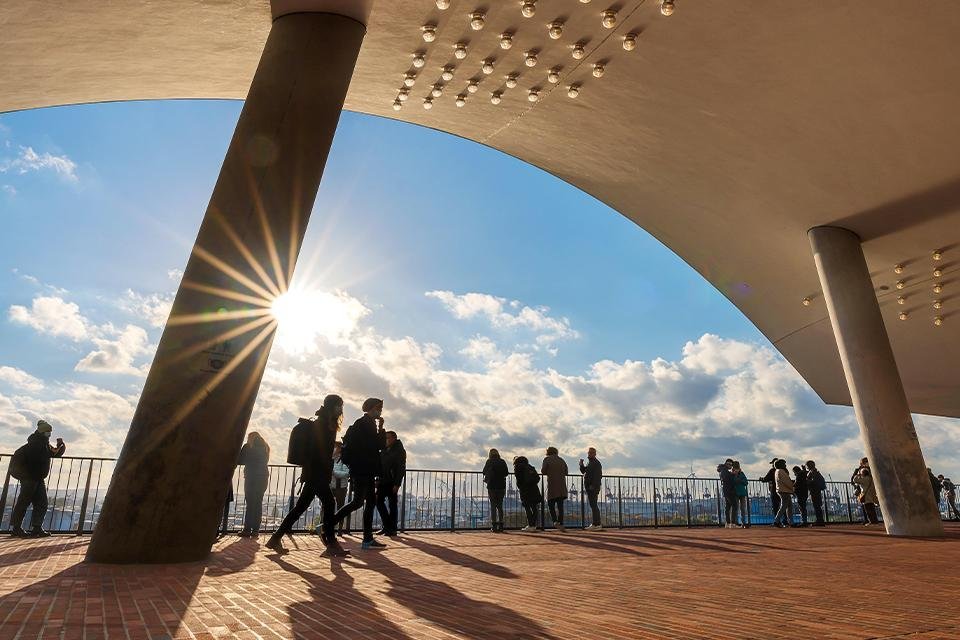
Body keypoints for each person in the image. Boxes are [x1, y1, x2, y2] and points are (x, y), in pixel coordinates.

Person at [266, 395, 346, 555]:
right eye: (339, 406)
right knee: (329, 503)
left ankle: (276, 538)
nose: (341, 409)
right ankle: (331, 542)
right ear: (333, 406)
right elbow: (319, 451)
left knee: (301, 507)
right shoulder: (323, 424)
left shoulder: (324, 422)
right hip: (317, 473)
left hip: (314, 473)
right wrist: (325, 465)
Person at [333, 398, 387, 550]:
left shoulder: (366, 424)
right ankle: (328, 525)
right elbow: (377, 445)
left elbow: (377, 445)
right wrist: (381, 429)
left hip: (364, 469)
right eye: (379, 408)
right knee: (359, 502)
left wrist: (380, 428)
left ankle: (368, 538)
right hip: (363, 469)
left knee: (367, 502)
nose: (380, 410)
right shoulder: (364, 424)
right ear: (371, 408)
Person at [9, 420, 66, 537]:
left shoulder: (43, 443)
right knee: (25, 502)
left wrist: (61, 445)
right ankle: (19, 528)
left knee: (41, 503)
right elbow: (40, 459)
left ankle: (35, 528)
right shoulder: (36, 444)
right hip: (30, 478)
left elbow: (54, 453)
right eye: (48, 432)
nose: (49, 434)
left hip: (37, 478)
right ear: (42, 432)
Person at [237, 431, 270, 537]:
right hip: (263, 477)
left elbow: (240, 460)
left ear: (250, 438)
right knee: (258, 503)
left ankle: (247, 529)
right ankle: (256, 530)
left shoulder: (248, 446)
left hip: (251, 477)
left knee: (250, 503)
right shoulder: (266, 447)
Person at [376, 430, 406, 536]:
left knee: (392, 505)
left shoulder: (399, 450)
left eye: (388, 438)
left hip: (392, 481)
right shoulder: (383, 450)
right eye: (385, 438)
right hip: (383, 480)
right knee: (378, 501)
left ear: (394, 438)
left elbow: (401, 468)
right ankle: (387, 525)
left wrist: (397, 484)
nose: (386, 440)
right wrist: (378, 479)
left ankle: (392, 528)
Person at [541, 447, 569, 531]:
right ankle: (561, 522)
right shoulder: (561, 460)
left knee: (551, 504)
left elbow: (543, 471)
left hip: (552, 485)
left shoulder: (547, 459)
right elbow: (566, 472)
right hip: (561, 486)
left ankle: (555, 521)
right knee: (560, 506)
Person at [483, 449, 509, 532]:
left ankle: (494, 526)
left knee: (493, 506)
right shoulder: (502, 461)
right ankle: (501, 525)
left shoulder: (489, 461)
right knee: (500, 506)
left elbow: (484, 472)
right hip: (501, 486)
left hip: (491, 486)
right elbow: (506, 473)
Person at [514, 456, 542, 532]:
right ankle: (533, 525)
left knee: (527, 508)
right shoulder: (531, 467)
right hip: (534, 489)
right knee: (534, 508)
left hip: (525, 490)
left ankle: (531, 525)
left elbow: (519, 480)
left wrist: (521, 486)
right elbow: (538, 478)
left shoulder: (518, 467)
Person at [579, 447, 603, 530]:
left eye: (591, 453)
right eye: (589, 453)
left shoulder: (596, 463)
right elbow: (584, 471)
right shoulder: (590, 463)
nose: (589, 454)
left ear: (595, 454)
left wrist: (593, 485)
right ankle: (595, 524)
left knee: (594, 505)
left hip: (593, 488)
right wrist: (581, 464)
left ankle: (597, 524)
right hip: (590, 487)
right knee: (593, 505)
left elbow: (598, 476)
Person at [331, 442, 350, 536]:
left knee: (340, 508)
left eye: (335, 447)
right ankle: (326, 526)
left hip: (341, 487)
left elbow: (347, 473)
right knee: (327, 506)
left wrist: (334, 473)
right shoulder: (330, 459)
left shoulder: (344, 460)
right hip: (331, 486)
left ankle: (339, 529)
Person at [773, 459, 796, 528]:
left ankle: (790, 522)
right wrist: (792, 489)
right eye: (784, 464)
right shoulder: (781, 471)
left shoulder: (777, 471)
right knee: (784, 506)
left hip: (781, 490)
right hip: (784, 491)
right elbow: (787, 482)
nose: (785, 465)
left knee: (788, 506)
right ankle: (777, 521)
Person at [804, 460, 827, 526]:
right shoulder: (815, 471)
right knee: (817, 506)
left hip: (815, 491)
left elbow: (814, 481)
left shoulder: (813, 472)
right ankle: (820, 520)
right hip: (816, 491)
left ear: (809, 466)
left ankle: (820, 521)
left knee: (817, 506)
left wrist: (808, 481)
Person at [717, 462, 737, 528]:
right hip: (730, 491)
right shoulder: (725, 472)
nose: (731, 467)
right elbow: (729, 480)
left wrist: (731, 474)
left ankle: (727, 523)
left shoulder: (722, 471)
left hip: (726, 491)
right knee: (734, 505)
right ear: (727, 465)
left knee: (728, 507)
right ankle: (733, 523)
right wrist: (733, 474)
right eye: (730, 465)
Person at [731, 461, 750, 527]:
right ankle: (736, 522)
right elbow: (733, 482)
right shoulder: (732, 474)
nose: (737, 468)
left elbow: (746, 482)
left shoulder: (742, 473)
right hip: (736, 493)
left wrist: (739, 480)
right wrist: (737, 477)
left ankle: (743, 522)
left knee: (743, 508)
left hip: (742, 493)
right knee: (736, 508)